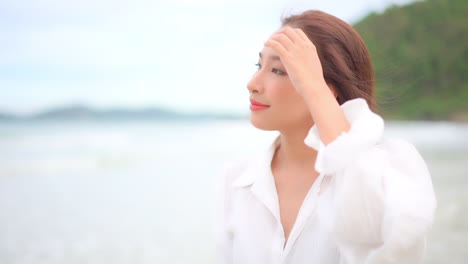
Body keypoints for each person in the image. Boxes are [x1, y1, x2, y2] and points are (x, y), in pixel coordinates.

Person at [214, 10, 437, 264]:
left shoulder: (391, 171)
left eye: (278, 70)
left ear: (328, 88)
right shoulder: (235, 181)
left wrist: (315, 89)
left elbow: (381, 244)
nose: (252, 83)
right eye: (259, 65)